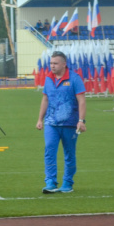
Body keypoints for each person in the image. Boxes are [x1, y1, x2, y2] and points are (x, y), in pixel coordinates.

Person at [37, 51, 86, 194]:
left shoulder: (75, 79)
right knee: (49, 151)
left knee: (69, 153)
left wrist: (81, 121)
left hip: (70, 124)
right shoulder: (48, 79)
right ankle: (50, 182)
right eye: (51, 63)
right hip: (51, 123)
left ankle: (67, 183)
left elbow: (82, 100)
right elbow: (45, 99)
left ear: (64, 64)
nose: (52, 66)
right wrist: (40, 119)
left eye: (55, 63)